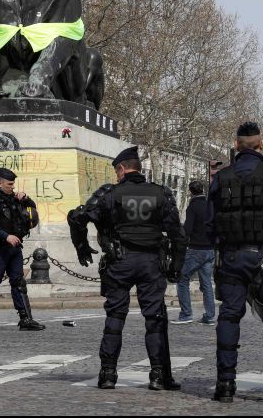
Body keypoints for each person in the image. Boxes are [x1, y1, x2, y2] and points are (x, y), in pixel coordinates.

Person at [68, 146, 187, 391]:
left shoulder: (110, 193)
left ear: (122, 169)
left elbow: (77, 217)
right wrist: (175, 266)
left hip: (119, 262)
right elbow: (178, 235)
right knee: (155, 319)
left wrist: (81, 246)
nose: (116, 176)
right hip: (151, 263)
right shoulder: (161, 193)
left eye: (116, 172)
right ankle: (158, 375)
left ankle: (108, 374)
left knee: (115, 318)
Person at [206, 122, 263, 405]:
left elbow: (210, 223)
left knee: (229, 317)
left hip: (232, 257)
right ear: (261, 144)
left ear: (236, 145)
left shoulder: (221, 178)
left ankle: (225, 384)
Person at [0, 168, 45, 332]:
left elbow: (33, 211)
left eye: (13, 184)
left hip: (15, 248)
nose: (12, 187)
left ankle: (26, 319)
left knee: (19, 283)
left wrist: (26, 198)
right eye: (9, 184)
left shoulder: (16, 200)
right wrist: (6, 236)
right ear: (0, 183)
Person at [171, 180, 215, 325]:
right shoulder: (210, 205)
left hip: (197, 249)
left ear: (190, 192)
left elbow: (188, 230)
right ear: (202, 190)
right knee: (207, 283)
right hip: (210, 250)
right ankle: (209, 316)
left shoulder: (193, 207)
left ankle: (186, 314)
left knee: (182, 278)